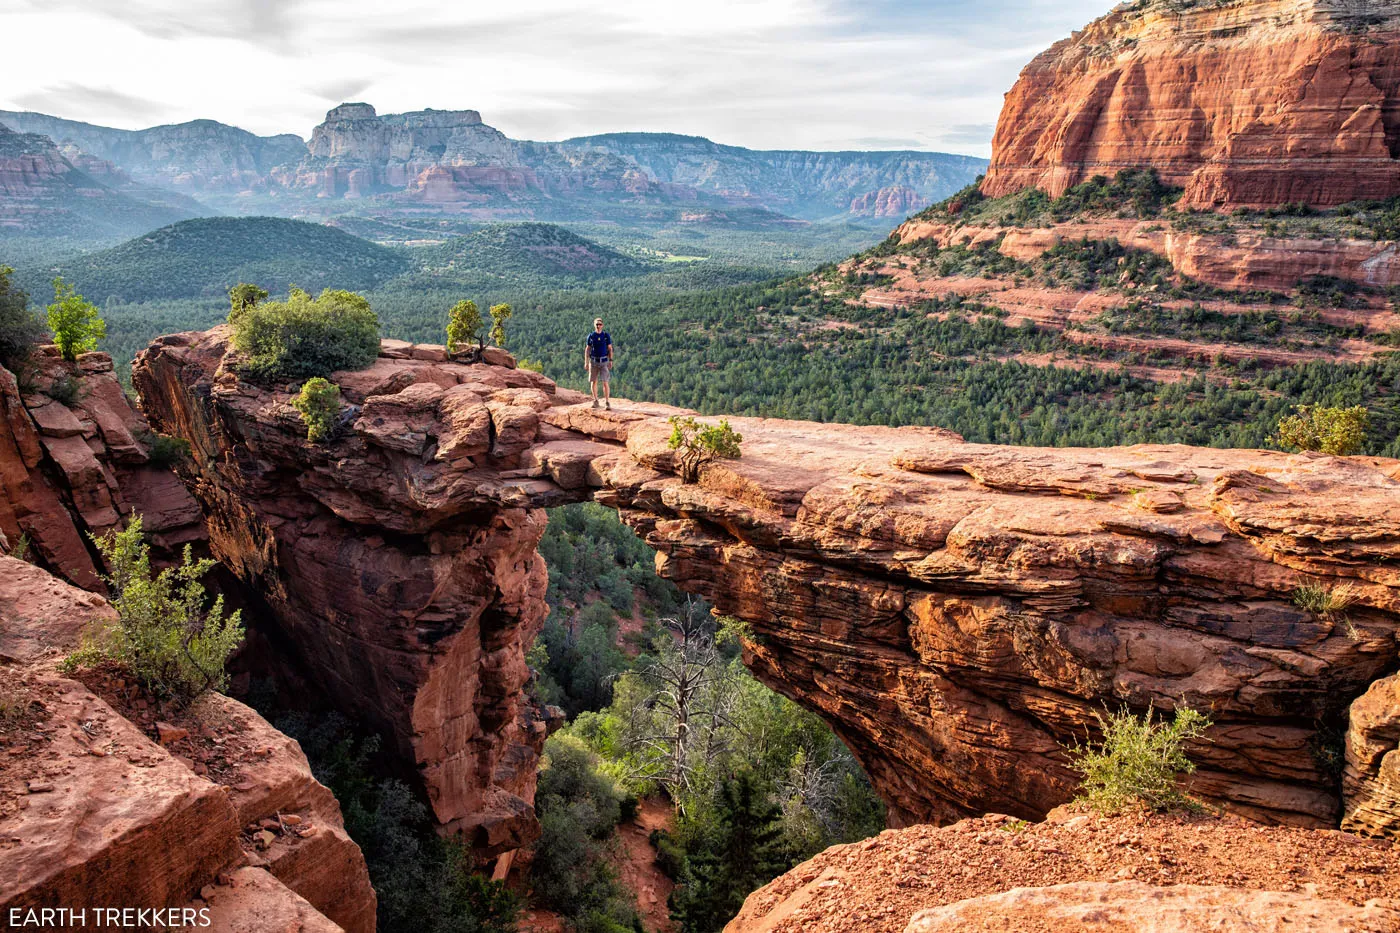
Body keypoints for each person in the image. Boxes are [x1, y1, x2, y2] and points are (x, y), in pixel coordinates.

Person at [585, 317, 614, 409]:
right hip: (593, 361)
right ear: (594, 325)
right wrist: (586, 362)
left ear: (602, 325)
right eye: (597, 324)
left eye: (600, 324)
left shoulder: (605, 336)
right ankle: (595, 401)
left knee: (605, 382)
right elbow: (587, 349)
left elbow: (610, 348)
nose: (598, 326)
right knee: (594, 382)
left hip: (604, 362)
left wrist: (611, 360)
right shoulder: (591, 336)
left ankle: (607, 402)